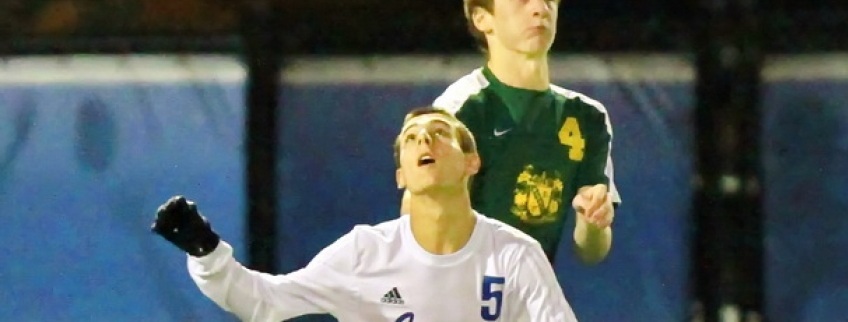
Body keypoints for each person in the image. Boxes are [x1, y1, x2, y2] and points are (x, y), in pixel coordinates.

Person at [152, 107, 578, 322]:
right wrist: (207, 256)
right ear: (400, 176)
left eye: (439, 134)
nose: (424, 139)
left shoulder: (514, 254)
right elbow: (264, 302)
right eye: (411, 138)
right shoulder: (365, 252)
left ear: (472, 163)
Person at [401, 0, 621, 265]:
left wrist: (593, 222)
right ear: (482, 19)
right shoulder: (458, 111)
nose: (540, 9)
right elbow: (415, 219)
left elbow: (591, 251)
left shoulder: (588, 117)